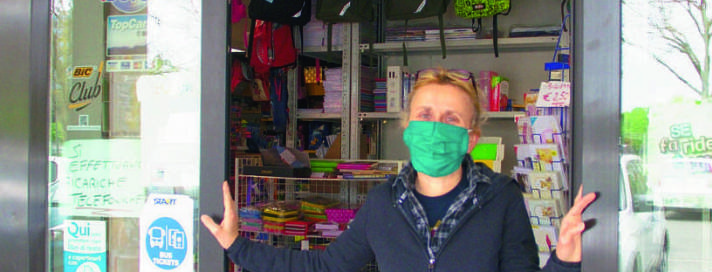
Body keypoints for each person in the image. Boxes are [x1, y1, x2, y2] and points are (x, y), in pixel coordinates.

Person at [202, 67, 597, 272]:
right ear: (407, 126)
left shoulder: (501, 197)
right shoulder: (383, 203)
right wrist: (237, 247)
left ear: (471, 138)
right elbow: (322, 266)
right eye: (425, 115)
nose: (435, 127)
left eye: (451, 119)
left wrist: (564, 259)